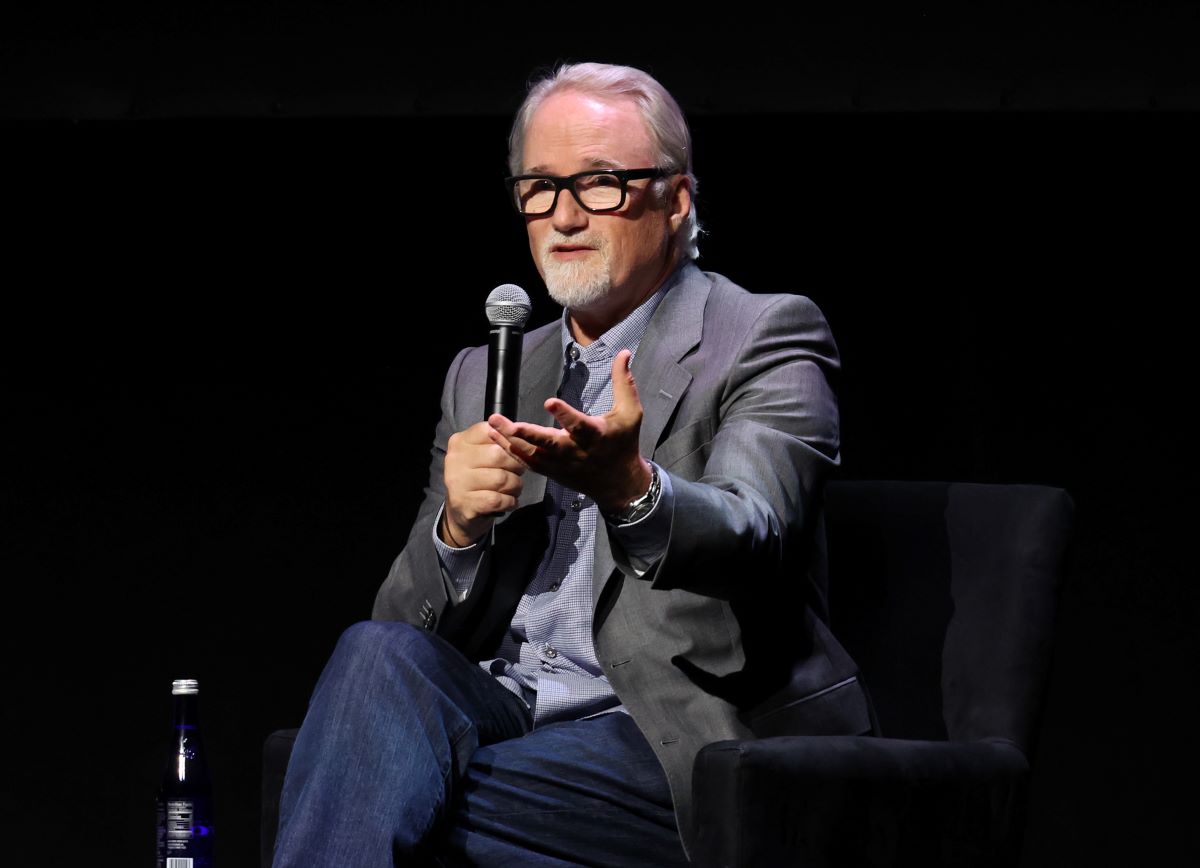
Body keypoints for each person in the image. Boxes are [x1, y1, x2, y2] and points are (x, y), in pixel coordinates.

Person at [272, 61, 874, 867]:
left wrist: (634, 491)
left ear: (676, 199)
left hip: (673, 730)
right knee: (372, 657)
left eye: (600, 184)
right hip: (509, 709)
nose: (564, 216)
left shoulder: (763, 335)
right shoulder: (485, 373)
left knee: (371, 784)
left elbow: (756, 529)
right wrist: (456, 530)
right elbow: (400, 622)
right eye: (541, 187)